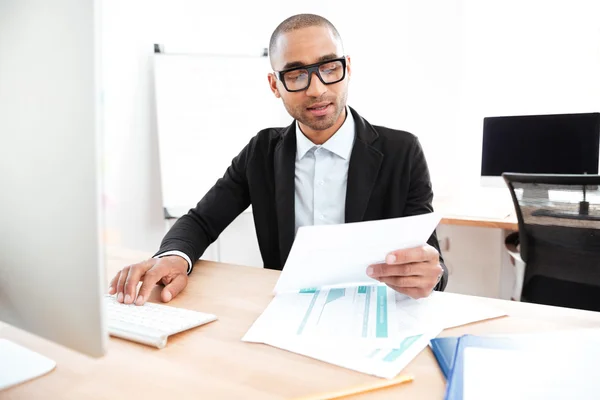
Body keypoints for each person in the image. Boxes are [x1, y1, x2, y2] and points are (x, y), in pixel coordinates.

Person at [108, 13, 448, 306]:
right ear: (275, 85)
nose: (317, 89)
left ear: (347, 68)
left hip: (375, 312)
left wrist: (432, 274)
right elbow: (201, 221)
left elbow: (431, 261)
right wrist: (173, 256)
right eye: (297, 74)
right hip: (288, 312)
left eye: (329, 67)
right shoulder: (261, 152)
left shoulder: (402, 151)